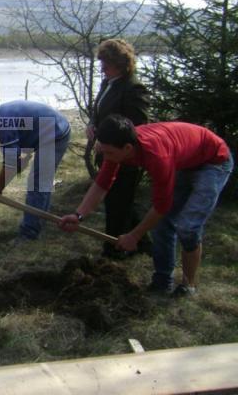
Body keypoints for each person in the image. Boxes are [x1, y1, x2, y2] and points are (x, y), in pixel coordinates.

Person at [58, 115, 233, 297]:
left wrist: (134, 235)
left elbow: (161, 205)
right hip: (185, 161)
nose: (106, 157)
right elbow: (103, 183)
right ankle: (162, 282)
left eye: (109, 153)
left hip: (214, 161)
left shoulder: (156, 155)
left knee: (188, 227)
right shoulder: (116, 146)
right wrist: (78, 215)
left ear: (127, 148)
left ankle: (188, 285)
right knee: (162, 225)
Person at [0, 97, 71, 242]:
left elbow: (11, 164)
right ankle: (39, 221)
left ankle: (28, 234)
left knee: (37, 184)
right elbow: (17, 159)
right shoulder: (2, 114)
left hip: (55, 135)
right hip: (46, 131)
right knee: (40, 183)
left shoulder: (4, 122)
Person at [88, 39, 150, 257]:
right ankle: (143, 243)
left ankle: (114, 250)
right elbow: (99, 111)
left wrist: (109, 140)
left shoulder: (133, 88)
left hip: (124, 155)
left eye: (106, 63)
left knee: (118, 204)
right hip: (106, 150)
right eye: (101, 63)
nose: (102, 68)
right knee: (118, 200)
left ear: (120, 63)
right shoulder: (108, 83)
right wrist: (92, 126)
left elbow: (137, 126)